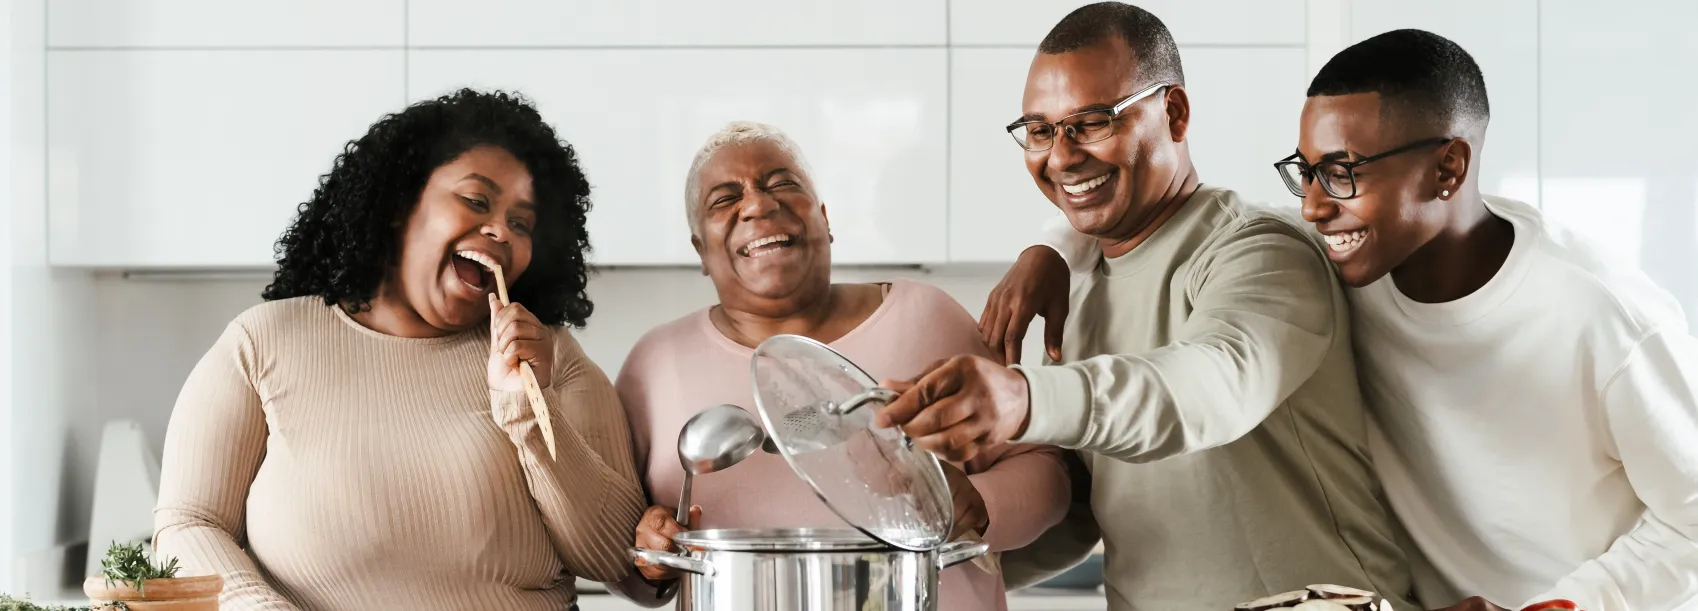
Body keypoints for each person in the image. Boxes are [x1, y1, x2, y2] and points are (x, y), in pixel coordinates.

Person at [1009, 28, 1698, 611]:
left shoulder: (1604, 316)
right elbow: (1150, 211)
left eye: (1342, 171)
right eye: (1304, 171)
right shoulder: (1346, 260)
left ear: (1447, 169)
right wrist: (1053, 248)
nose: (1313, 205)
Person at [871, 3, 1418, 610]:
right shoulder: (1075, 286)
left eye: (1093, 123)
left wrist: (1025, 398)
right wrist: (955, 533)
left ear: (1175, 113)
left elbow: (1210, 386)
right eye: (1040, 130)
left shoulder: (1258, 250)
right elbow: (1092, 510)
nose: (1061, 156)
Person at [152, 89, 646, 611]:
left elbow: (617, 557)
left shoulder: (553, 358)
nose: (501, 230)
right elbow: (188, 525)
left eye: (522, 223)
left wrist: (530, 407)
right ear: (398, 204)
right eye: (477, 200)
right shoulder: (261, 345)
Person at [609, 122, 1070, 610]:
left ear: (825, 219)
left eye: (782, 183)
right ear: (701, 249)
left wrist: (979, 506)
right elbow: (628, 562)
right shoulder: (654, 365)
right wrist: (650, 554)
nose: (759, 205)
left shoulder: (927, 318)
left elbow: (1048, 475)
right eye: (724, 199)